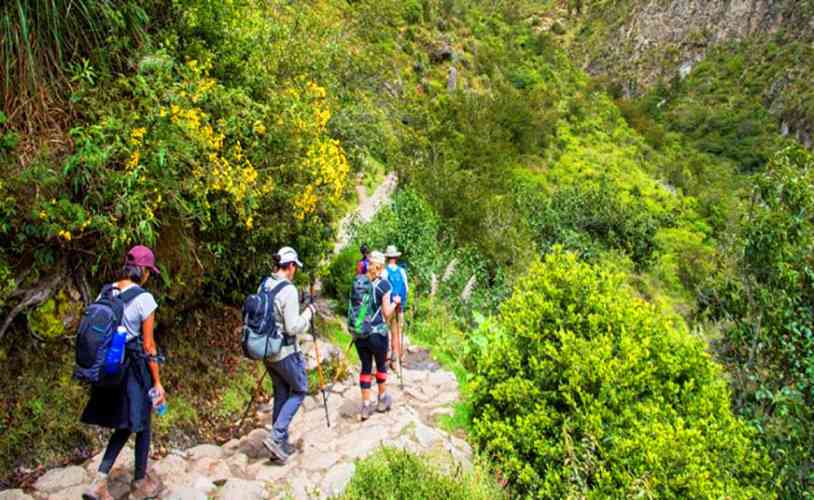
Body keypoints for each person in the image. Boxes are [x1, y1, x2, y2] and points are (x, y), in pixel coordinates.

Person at [82, 245, 164, 500]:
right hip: (132, 368)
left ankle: (102, 480)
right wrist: (158, 382)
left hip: (105, 367)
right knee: (141, 421)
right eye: (149, 270)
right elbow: (149, 345)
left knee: (126, 423)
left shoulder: (105, 292)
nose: (150, 275)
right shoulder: (144, 299)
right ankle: (139, 482)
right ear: (144, 271)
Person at [262, 246, 316, 464]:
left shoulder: (265, 284)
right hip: (284, 351)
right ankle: (276, 437)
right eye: (295, 267)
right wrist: (309, 313)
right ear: (291, 266)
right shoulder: (289, 290)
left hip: (267, 351)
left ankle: (279, 444)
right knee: (300, 390)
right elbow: (293, 327)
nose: (295, 271)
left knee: (281, 392)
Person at [356, 251, 399, 420]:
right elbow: (387, 313)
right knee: (380, 366)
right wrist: (395, 303)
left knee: (365, 367)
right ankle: (382, 400)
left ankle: (366, 406)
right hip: (377, 333)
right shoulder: (384, 285)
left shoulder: (359, 282)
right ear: (380, 266)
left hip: (361, 334)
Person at [384, 245, 408, 370]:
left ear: (387, 257)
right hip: (399, 306)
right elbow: (406, 289)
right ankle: (395, 362)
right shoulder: (402, 271)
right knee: (397, 333)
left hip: (388, 306)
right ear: (396, 257)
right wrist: (402, 303)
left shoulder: (384, 272)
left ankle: (383, 359)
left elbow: (382, 289)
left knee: (384, 332)